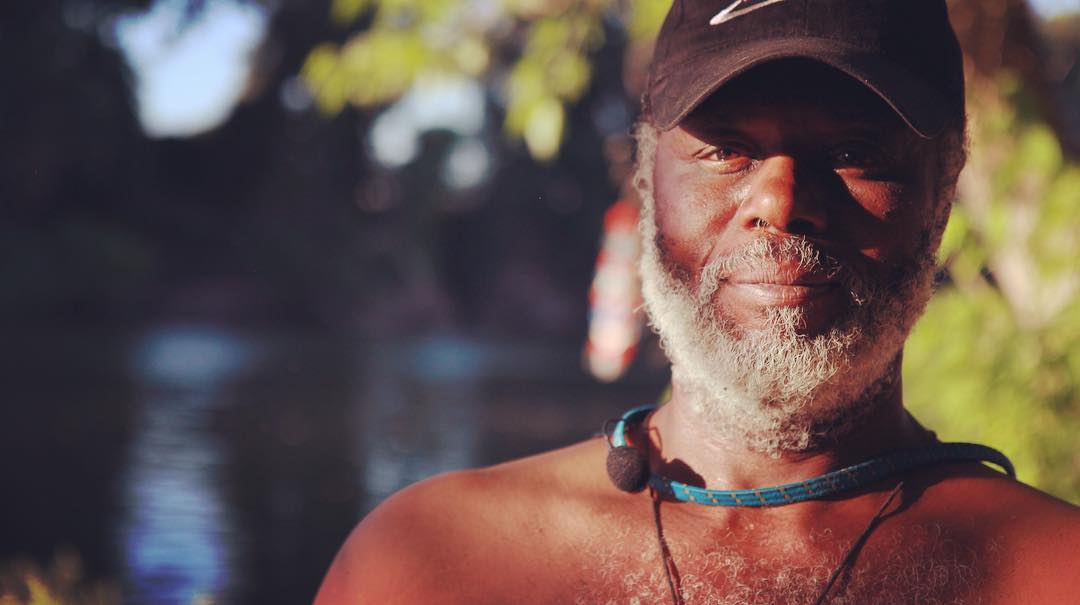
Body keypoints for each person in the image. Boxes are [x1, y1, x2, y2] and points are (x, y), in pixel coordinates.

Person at [315, 1, 1080, 603]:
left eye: (855, 153)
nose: (780, 203)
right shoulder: (429, 560)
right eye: (725, 149)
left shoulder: (1052, 572)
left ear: (943, 192)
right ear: (647, 181)